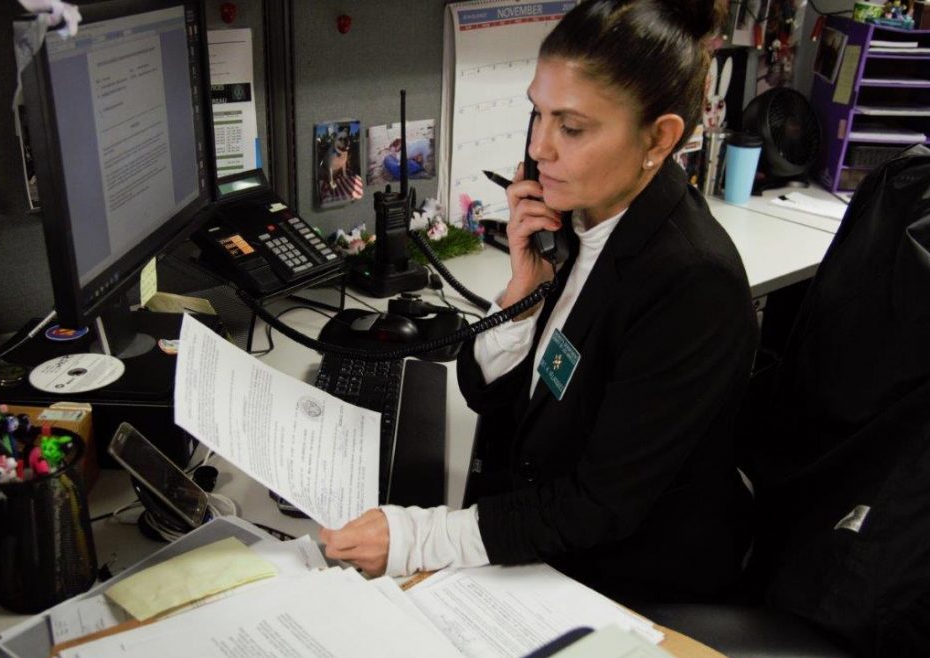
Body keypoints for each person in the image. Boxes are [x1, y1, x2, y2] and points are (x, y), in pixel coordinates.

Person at [321, 0, 758, 607]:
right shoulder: (585, 219)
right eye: (537, 113)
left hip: (624, 578)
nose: (539, 147)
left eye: (571, 128)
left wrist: (419, 538)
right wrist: (521, 300)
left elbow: (596, 507)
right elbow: (495, 396)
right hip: (540, 520)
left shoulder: (689, 284)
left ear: (658, 138)